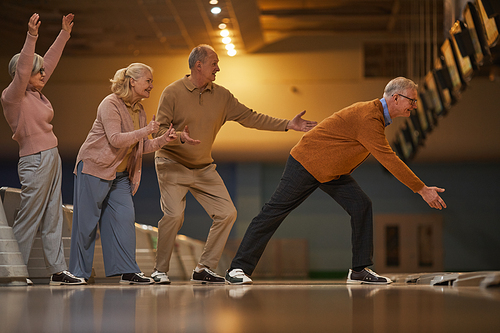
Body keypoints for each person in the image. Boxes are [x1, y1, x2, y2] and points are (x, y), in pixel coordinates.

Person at [225, 77, 447, 285]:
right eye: (412, 100)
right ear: (396, 98)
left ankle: (359, 270)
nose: (415, 105)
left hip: (331, 171)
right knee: (273, 212)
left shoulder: (375, 116)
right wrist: (421, 189)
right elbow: (389, 159)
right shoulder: (369, 117)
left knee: (361, 205)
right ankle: (237, 269)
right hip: (306, 162)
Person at [151, 44, 317, 284]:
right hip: (172, 163)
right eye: (214, 63)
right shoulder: (172, 92)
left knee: (227, 213)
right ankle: (160, 270)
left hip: (203, 167)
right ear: (198, 65)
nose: (218, 68)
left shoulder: (222, 96)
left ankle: (204, 268)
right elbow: (159, 133)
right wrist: (178, 136)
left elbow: (250, 116)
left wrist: (287, 125)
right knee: (174, 215)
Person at [68, 63, 178, 284]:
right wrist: (146, 131)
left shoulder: (139, 109)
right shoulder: (110, 104)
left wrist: (162, 140)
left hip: (119, 176)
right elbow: (116, 139)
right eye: (148, 80)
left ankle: (127, 270)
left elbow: (140, 146)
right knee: (87, 223)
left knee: (124, 219)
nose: (151, 85)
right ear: (132, 81)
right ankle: (79, 272)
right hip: (94, 168)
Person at [1, 13, 85, 285]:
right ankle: (16, 271)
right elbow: (27, 67)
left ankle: (57, 270)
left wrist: (64, 34)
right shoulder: (12, 96)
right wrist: (32, 35)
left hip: (51, 156)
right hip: (34, 160)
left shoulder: (37, 94)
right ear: (23, 74)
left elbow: (47, 61)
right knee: (30, 215)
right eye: (39, 72)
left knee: (53, 213)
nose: (44, 74)